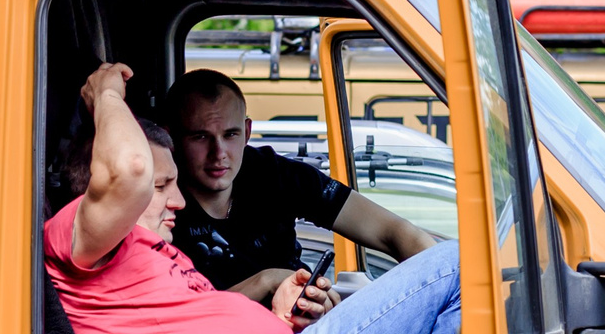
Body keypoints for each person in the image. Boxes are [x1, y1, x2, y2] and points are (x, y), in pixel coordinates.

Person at [47, 62, 459, 334]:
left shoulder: (157, 258)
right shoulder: (82, 242)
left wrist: (281, 318)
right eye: (159, 187)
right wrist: (106, 94)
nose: (178, 200)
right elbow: (130, 169)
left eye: (173, 183)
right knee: (454, 266)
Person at [161, 68, 438, 318]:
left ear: (247, 132)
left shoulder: (274, 174)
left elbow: (394, 232)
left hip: (305, 331)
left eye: (230, 135)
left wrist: (445, 286)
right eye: (200, 137)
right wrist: (268, 281)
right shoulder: (157, 209)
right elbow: (184, 322)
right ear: (170, 139)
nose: (219, 153)